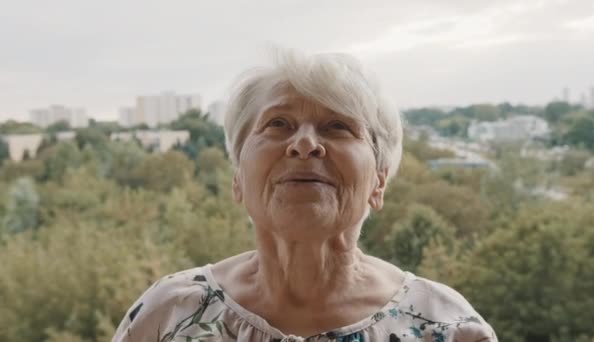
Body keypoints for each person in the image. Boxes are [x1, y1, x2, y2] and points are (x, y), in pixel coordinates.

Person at [112, 49, 497, 342]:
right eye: (278, 123)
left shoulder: (446, 329)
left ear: (379, 182)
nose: (305, 144)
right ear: (238, 179)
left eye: (337, 126)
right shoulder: (168, 314)